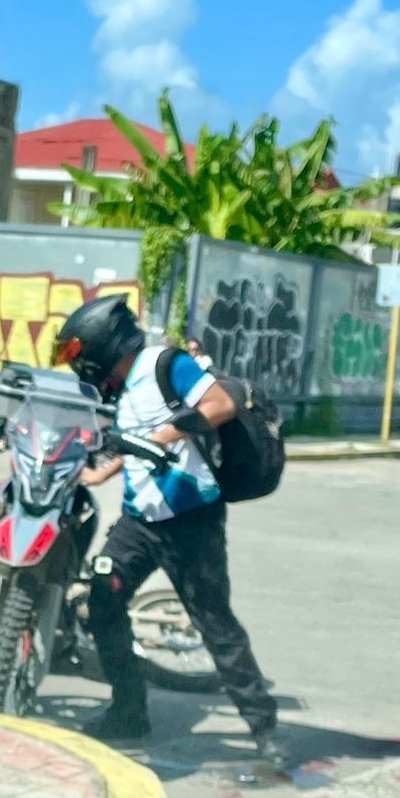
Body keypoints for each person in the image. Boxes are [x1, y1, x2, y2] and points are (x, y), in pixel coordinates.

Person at [53, 296, 285, 767]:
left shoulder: (164, 363)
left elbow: (220, 404)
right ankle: (128, 713)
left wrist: (159, 437)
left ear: (102, 344)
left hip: (191, 519)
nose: (81, 366)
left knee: (214, 624)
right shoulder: (121, 390)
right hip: (139, 521)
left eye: (80, 353)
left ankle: (265, 731)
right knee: (103, 601)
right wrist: (103, 471)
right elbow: (134, 441)